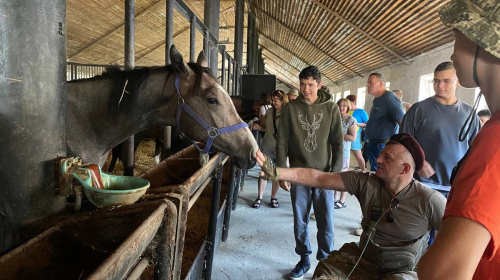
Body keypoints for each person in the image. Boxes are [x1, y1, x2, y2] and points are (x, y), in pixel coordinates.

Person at [257, 133, 446, 280]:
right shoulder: (365, 182)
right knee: (325, 272)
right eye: (381, 154)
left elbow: (454, 243)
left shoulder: (429, 200)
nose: (378, 159)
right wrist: (278, 172)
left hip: (402, 270)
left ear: (405, 169)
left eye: (387, 158)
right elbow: (318, 177)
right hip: (364, 259)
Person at [418, 0, 500, 279]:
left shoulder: (495, 144)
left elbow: (441, 273)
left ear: (485, 43)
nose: (453, 54)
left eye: (457, 37)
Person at [276, 65, 343, 280]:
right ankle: (304, 259)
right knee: (300, 220)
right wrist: (281, 172)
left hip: (324, 175)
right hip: (299, 174)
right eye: (303, 84)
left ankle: (325, 263)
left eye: (311, 85)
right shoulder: (290, 109)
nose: (306, 89)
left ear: (319, 85)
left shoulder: (331, 108)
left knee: (326, 220)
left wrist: (335, 174)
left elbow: (337, 142)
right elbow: (282, 141)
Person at [401, 61, 480, 197]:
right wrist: (419, 162)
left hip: (456, 186)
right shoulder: (419, 110)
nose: (440, 85)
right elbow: (402, 141)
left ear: (458, 82)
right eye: (436, 81)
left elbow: (477, 149)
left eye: (446, 81)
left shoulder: (470, 113)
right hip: (423, 184)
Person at [251, 90, 289, 208]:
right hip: (267, 146)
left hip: (281, 148)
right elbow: (266, 128)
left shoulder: (288, 113)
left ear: (283, 100)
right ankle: (259, 197)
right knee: (264, 172)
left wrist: (285, 148)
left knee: (276, 174)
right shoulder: (269, 111)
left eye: (276, 101)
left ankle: (273, 197)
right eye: (272, 100)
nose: (273, 103)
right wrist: (259, 127)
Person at [364, 73, 405, 171]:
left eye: (370, 82)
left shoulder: (389, 98)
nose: (368, 85)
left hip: (381, 145)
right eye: (367, 83)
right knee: (375, 171)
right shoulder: (377, 99)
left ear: (380, 83)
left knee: (380, 171)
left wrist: (402, 145)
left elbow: (402, 120)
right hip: (373, 143)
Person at [334, 98, 357, 209]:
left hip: (343, 151)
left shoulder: (351, 120)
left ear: (347, 107)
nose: (341, 108)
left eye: (344, 106)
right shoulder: (334, 117)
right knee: (334, 174)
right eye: (340, 105)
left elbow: (353, 138)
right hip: (333, 150)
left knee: (343, 176)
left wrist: (339, 135)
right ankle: (335, 197)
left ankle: (342, 200)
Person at [346, 94, 369, 172]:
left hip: (356, 135)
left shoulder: (361, 112)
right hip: (346, 135)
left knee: (358, 155)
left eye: (348, 102)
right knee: (345, 154)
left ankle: (363, 171)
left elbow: (367, 123)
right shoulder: (346, 111)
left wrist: (357, 124)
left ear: (353, 102)